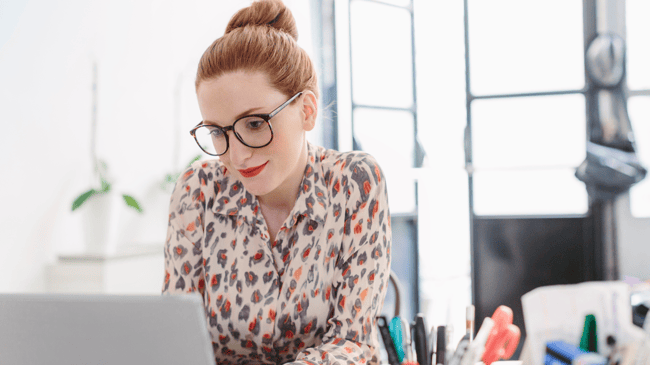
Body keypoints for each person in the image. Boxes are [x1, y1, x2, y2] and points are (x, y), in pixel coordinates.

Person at [162, 1, 391, 364]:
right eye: (218, 132)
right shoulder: (197, 190)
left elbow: (352, 343)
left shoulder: (353, 183)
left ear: (307, 110)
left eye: (254, 124)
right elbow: (175, 336)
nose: (236, 156)